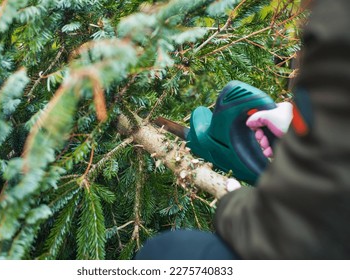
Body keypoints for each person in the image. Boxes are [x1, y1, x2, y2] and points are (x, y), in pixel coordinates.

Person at [135, 0, 350, 259]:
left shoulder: (337, 23)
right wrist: (301, 125)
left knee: (164, 252)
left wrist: (235, 202)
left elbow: (288, 234)